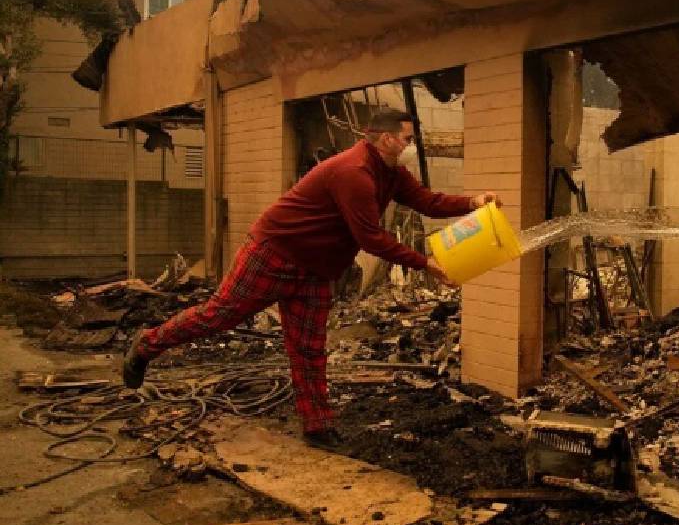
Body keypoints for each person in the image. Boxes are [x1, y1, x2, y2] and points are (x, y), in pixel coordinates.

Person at [121, 109, 500, 448]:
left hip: (316, 268)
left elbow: (428, 202)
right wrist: (425, 263)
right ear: (386, 139)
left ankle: (317, 426)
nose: (409, 145)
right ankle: (147, 344)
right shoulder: (354, 172)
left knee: (309, 347)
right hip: (275, 253)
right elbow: (369, 237)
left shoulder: (392, 173)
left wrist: (472, 202)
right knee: (219, 316)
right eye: (407, 138)